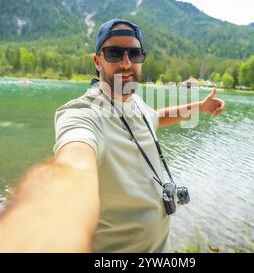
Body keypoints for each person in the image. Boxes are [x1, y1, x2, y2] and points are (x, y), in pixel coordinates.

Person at [53, 19, 226, 252]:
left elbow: (157, 117)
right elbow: (74, 159)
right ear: (97, 61)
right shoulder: (83, 112)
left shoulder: (136, 103)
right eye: (114, 53)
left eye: (135, 54)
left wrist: (200, 107)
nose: (126, 63)